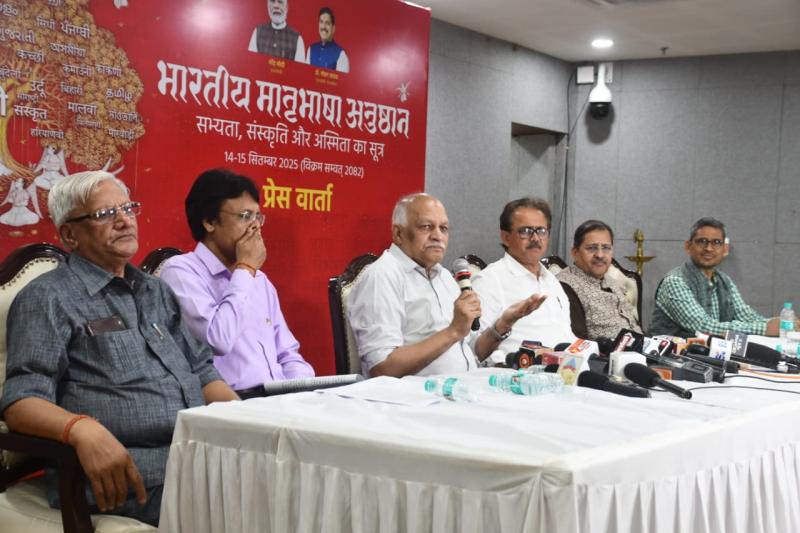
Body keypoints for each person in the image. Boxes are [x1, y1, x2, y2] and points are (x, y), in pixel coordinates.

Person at [0, 171, 238, 526]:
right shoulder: (48, 297)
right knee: (249, 509)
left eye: (128, 209)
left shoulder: (155, 291)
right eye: (105, 214)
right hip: (130, 476)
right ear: (70, 235)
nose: (125, 221)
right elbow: (21, 402)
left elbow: (201, 370)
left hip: (196, 459)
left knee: (290, 488)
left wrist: (247, 424)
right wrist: (81, 429)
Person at [346, 193, 546, 377]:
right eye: (426, 227)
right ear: (398, 234)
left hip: (463, 387)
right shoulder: (383, 276)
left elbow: (472, 351)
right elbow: (381, 368)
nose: (437, 236)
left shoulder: (443, 276)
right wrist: (453, 331)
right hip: (416, 397)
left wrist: (504, 323)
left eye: (443, 228)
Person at [160, 169, 314, 397]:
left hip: (278, 399)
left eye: (258, 216)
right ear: (210, 222)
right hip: (229, 402)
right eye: (244, 216)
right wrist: (245, 269)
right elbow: (218, 340)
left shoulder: (259, 280)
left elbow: (288, 354)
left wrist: (302, 392)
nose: (255, 226)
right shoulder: (180, 272)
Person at [650, 217, 794, 337]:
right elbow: (702, 326)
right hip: (669, 356)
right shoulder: (676, 281)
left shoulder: (724, 280)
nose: (709, 248)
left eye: (716, 242)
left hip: (709, 354)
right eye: (702, 241)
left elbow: (746, 316)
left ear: (725, 249)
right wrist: (765, 329)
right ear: (688, 246)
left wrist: (783, 324)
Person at [472, 197, 575, 362]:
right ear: (505, 237)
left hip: (567, 368)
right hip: (517, 371)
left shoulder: (552, 280)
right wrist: (505, 323)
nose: (535, 238)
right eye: (526, 231)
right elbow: (475, 351)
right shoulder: (489, 281)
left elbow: (566, 335)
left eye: (541, 231)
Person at [556, 220, 641, 340]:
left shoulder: (611, 281)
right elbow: (578, 343)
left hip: (640, 346)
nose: (600, 255)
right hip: (606, 351)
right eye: (591, 248)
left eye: (606, 248)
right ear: (575, 253)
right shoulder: (565, 286)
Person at [305, 7, 349, 73]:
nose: (323, 26)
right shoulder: (311, 49)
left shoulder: (341, 55)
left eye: (327, 23)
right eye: (321, 22)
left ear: (333, 28)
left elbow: (342, 80)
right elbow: (305, 76)